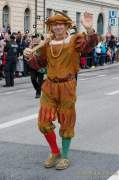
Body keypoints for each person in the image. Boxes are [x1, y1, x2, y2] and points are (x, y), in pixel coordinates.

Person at [24, 11, 98, 170]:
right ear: (51, 27)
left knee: (66, 120)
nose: (57, 27)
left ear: (66, 26)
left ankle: (64, 156)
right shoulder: (47, 44)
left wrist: (90, 30)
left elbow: (90, 45)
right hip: (49, 86)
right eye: (54, 24)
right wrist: (29, 56)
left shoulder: (74, 39)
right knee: (43, 122)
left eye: (60, 24)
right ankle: (54, 152)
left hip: (67, 86)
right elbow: (39, 64)